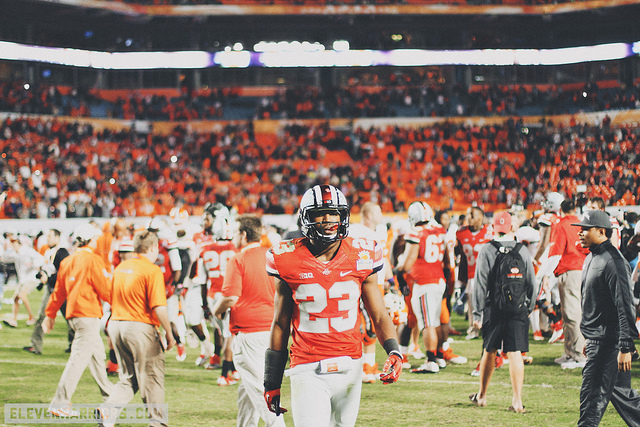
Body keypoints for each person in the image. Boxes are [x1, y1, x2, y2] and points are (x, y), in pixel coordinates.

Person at [264, 184, 402, 426]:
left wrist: (394, 350)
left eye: (334, 213)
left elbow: (378, 315)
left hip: (351, 365)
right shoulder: (286, 258)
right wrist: (271, 381)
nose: (328, 219)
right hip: (307, 367)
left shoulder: (363, 253)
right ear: (306, 217)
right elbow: (280, 323)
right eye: (320, 213)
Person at [212, 215, 285, 427]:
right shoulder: (273, 255)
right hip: (273, 332)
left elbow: (230, 298)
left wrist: (217, 311)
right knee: (248, 390)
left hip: (250, 333)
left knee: (262, 393)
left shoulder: (238, 259)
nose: (233, 236)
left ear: (243, 235)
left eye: (235, 232)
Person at [98, 230, 175, 427]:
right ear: (152, 248)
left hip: (116, 324)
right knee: (152, 377)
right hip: (139, 327)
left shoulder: (121, 267)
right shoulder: (152, 270)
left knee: (129, 377)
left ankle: (108, 410)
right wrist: (169, 332)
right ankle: (157, 423)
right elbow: (158, 305)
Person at [572, 210, 640, 427]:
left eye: (585, 229)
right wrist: (588, 337)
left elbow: (624, 306)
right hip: (598, 341)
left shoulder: (613, 261)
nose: (580, 233)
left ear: (602, 231)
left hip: (608, 345)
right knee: (626, 400)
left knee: (591, 403)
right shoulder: (592, 256)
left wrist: (626, 347)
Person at [43, 223, 114, 417]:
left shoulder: (68, 260)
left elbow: (58, 292)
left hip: (75, 315)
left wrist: (49, 315)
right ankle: (60, 402)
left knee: (97, 357)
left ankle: (110, 396)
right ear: (91, 240)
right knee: (77, 360)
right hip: (87, 315)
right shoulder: (93, 260)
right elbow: (106, 289)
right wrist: (120, 304)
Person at [469, 211, 537, 414]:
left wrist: (477, 313)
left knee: (489, 351)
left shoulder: (487, 249)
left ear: (493, 228)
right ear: (511, 228)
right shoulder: (522, 250)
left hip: (494, 307)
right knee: (515, 352)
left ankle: (481, 396)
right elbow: (532, 282)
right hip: (517, 307)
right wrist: (529, 308)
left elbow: (480, 284)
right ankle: (517, 401)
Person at [396, 201, 449, 373]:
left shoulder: (415, 233)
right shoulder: (440, 230)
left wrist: (399, 272)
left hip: (423, 282)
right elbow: (447, 259)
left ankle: (431, 361)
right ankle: (438, 356)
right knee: (435, 320)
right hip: (439, 279)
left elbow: (407, 263)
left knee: (427, 323)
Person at [547, 199, 589, 369]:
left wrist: (545, 275)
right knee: (572, 313)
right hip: (583, 269)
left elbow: (556, 251)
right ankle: (570, 352)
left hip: (569, 270)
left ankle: (579, 354)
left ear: (561, 210)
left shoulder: (562, 225)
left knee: (572, 314)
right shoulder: (581, 223)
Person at [23, 229, 70, 354]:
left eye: (50, 236)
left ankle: (75, 343)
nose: (47, 238)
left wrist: (48, 278)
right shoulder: (49, 252)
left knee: (70, 318)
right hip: (51, 290)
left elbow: (64, 273)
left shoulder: (62, 253)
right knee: (43, 316)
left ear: (57, 238)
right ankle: (36, 345)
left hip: (61, 291)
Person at [456, 206, 492, 340]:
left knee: (489, 302)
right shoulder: (461, 233)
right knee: (472, 305)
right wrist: (461, 280)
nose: (469, 217)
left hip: (489, 274)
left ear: (481, 217)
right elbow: (462, 258)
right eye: (468, 214)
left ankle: (489, 327)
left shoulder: (490, 231)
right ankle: (474, 328)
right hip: (472, 274)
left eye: (472, 215)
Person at [2, 235, 45, 328]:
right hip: (23, 279)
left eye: (14, 242)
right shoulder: (15, 253)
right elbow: (5, 258)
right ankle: (14, 320)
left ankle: (31, 317)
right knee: (15, 298)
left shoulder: (28, 251)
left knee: (22, 295)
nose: (13, 244)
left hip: (31, 278)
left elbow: (41, 258)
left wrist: (33, 264)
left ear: (19, 243)